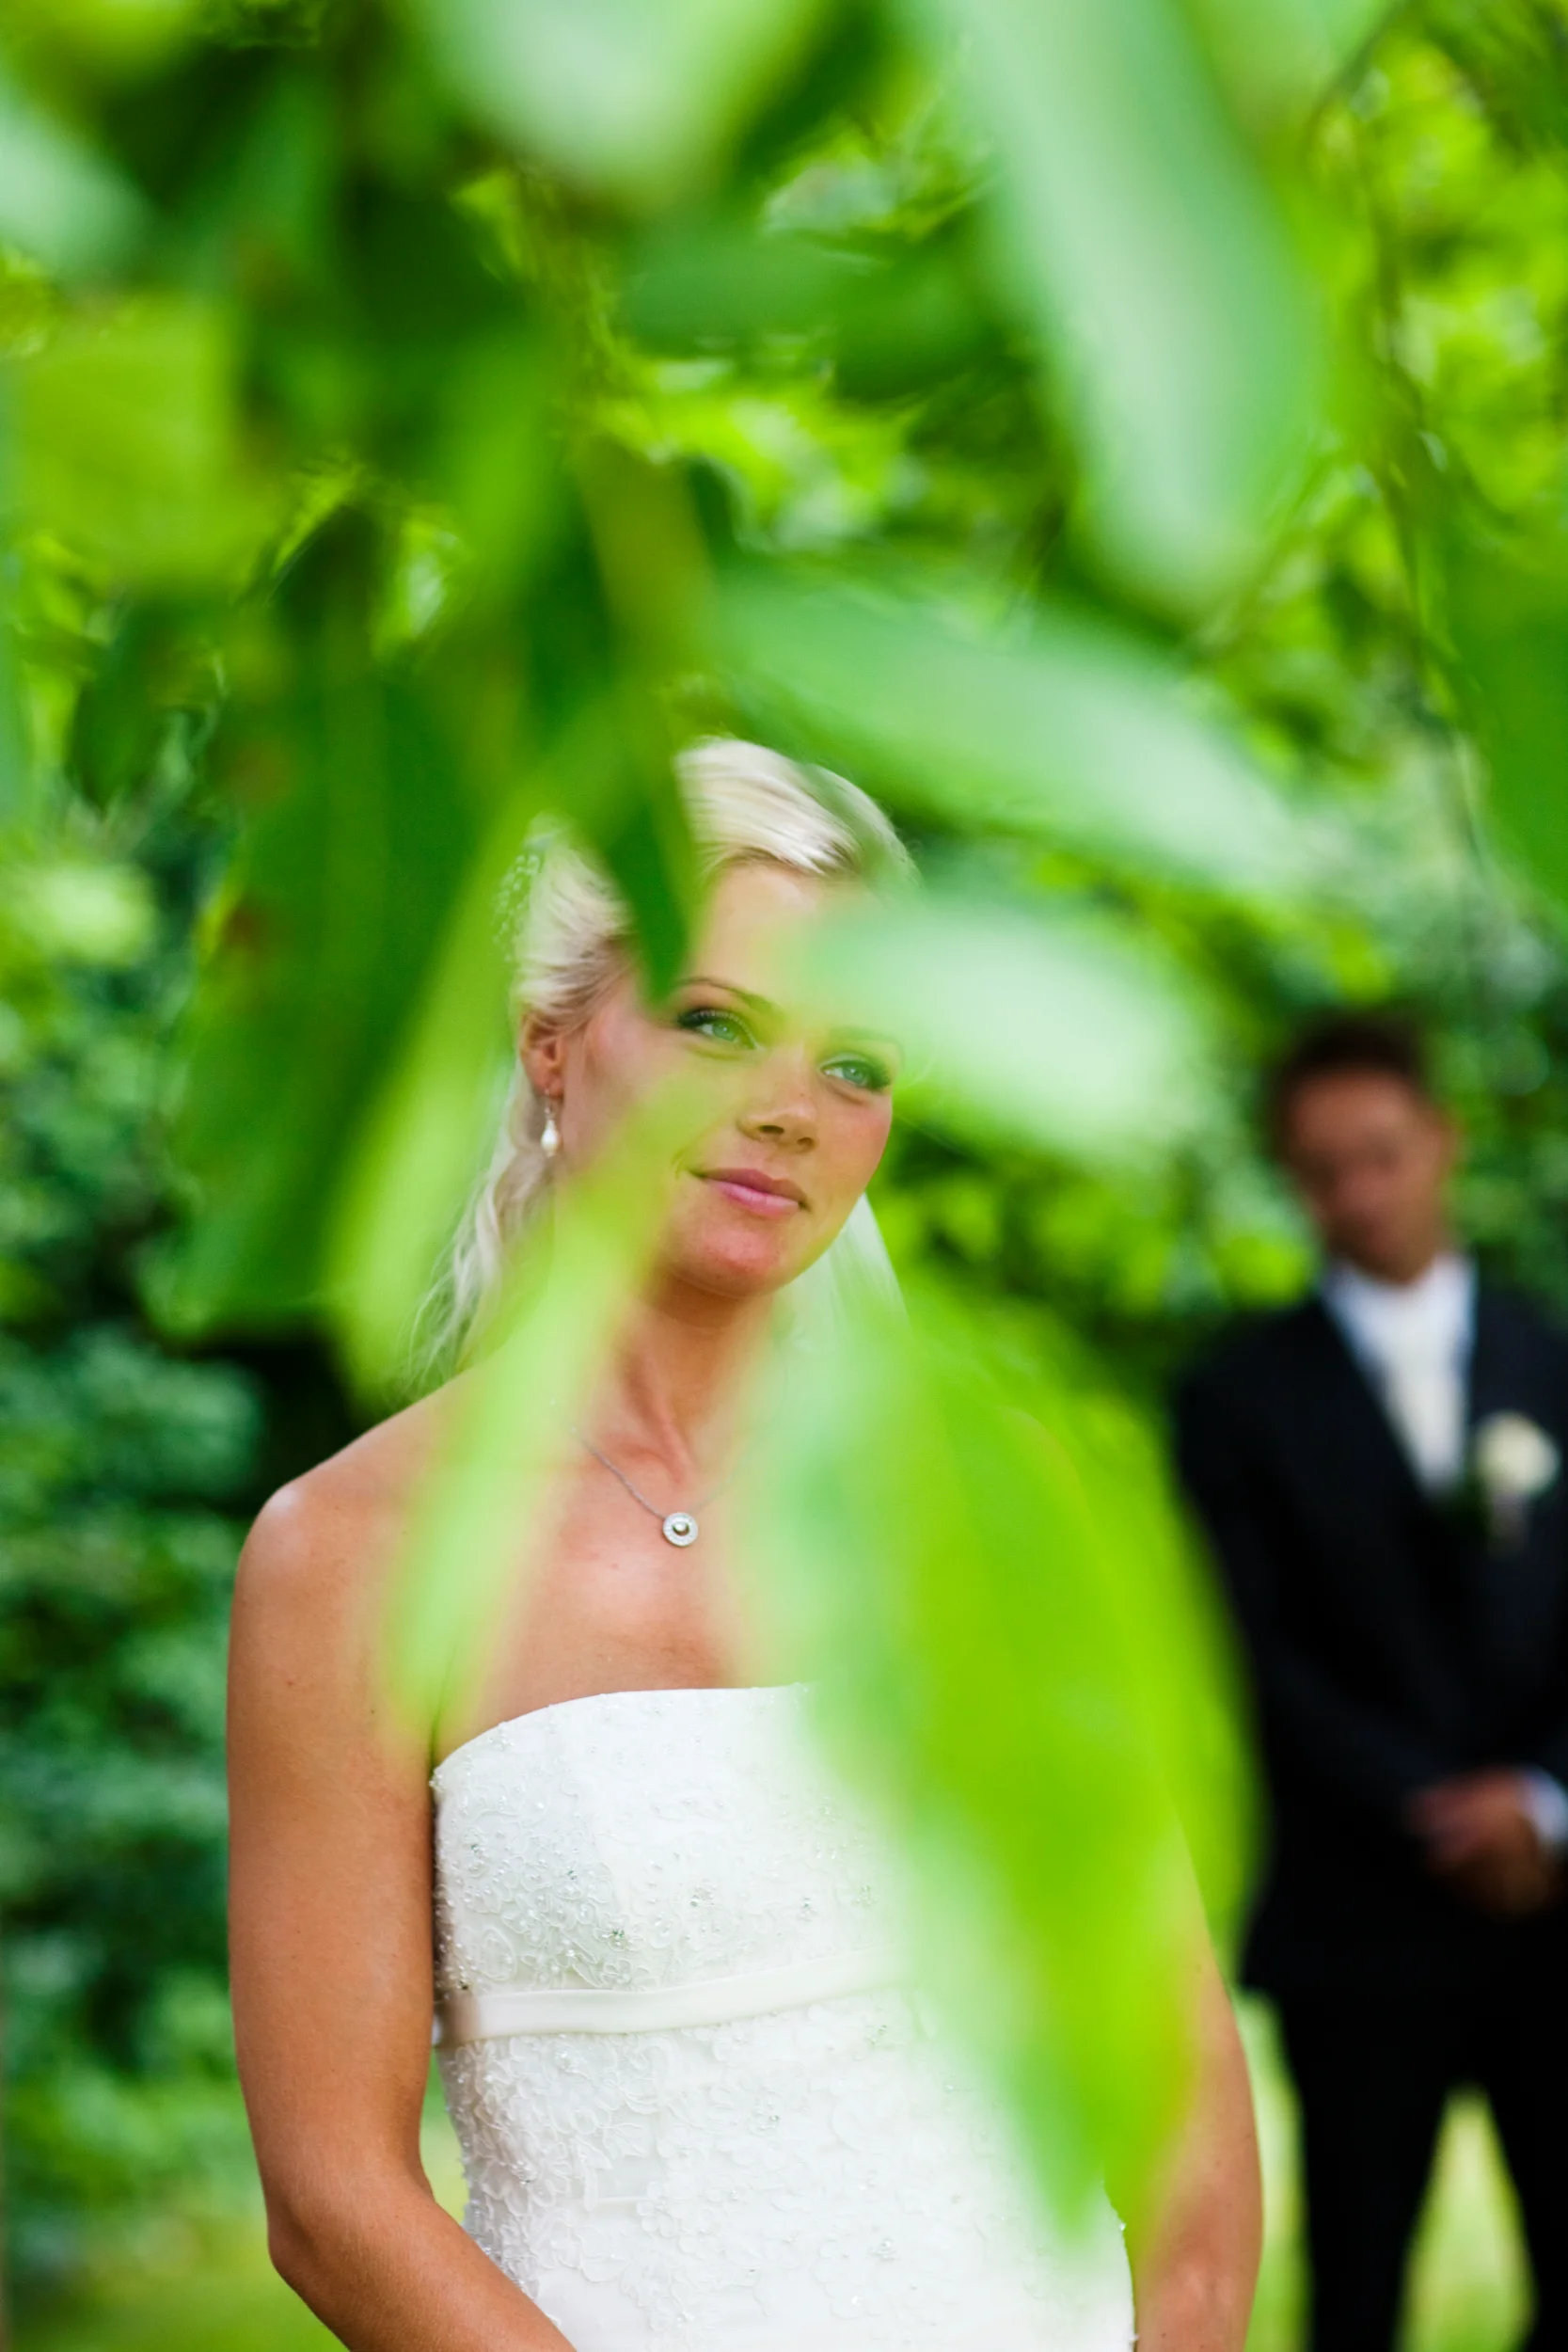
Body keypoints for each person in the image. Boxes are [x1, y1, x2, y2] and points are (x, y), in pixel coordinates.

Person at [229, 739, 1260, 2352]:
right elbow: (334, 2199)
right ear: (551, 1044)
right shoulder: (352, 1557)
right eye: (717, 1024)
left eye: (859, 1063)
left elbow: (1173, 2080)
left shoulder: (990, 1498)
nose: (790, 1108)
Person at [1176, 1012, 1568, 2352]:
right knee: (1353, 2285)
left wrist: (1541, 1798)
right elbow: (1243, 1650)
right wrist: (1431, 1803)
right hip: (1356, 1918)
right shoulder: (1231, 1397)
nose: (1358, 1193)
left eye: (1381, 1156)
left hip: (1556, 1904)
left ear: (1441, 1143)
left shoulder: (1552, 1359)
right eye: (1322, 1168)